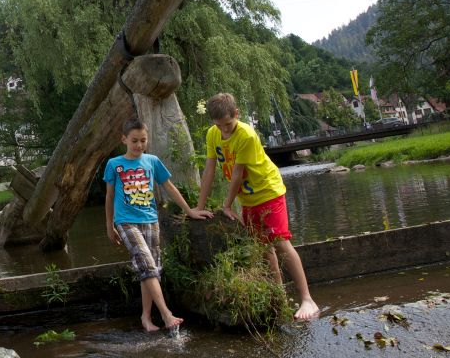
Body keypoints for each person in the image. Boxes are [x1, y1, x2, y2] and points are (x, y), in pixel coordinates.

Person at [196, 92, 320, 320]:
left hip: (268, 192)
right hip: (249, 199)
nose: (224, 130)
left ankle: (307, 299)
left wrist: (226, 205)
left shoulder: (246, 135)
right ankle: (279, 295)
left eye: (228, 124)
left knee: (280, 243)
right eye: (219, 125)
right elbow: (210, 169)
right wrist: (198, 207)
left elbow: (237, 174)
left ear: (236, 114)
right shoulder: (213, 134)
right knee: (263, 247)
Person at [104, 117, 213, 333]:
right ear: (124, 139)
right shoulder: (114, 164)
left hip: (151, 220)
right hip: (126, 222)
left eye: (143, 140)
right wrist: (109, 225)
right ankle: (166, 314)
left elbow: (169, 187)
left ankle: (146, 317)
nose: (139, 145)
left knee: (150, 268)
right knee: (147, 264)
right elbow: (109, 197)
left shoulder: (152, 161)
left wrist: (189, 211)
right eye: (134, 141)